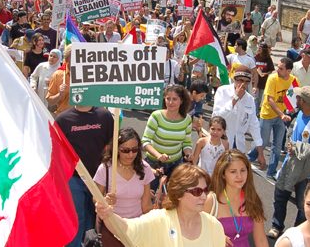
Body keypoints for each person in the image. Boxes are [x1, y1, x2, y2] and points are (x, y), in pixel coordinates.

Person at [96, 164, 226, 247]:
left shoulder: (214, 226)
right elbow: (126, 229)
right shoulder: (158, 220)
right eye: (197, 191)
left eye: (205, 190)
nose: (204, 196)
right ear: (179, 193)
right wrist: (108, 215)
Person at [268, 87, 310, 240]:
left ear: (305, 101)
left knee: (304, 205)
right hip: (290, 165)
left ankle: (297, 233)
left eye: (299, 98)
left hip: (306, 172)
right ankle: (276, 226)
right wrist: (291, 145)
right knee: (280, 195)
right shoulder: (300, 113)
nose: (296, 99)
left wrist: (300, 148)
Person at [56, 101, 114, 247]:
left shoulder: (104, 116)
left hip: (99, 179)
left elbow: (114, 143)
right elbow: (56, 150)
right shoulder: (62, 120)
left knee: (97, 217)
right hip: (74, 179)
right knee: (76, 218)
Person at [94, 128, 155, 247]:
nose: (131, 154)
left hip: (137, 226)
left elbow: (146, 205)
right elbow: (95, 197)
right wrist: (104, 201)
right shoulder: (105, 168)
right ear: (116, 149)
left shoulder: (145, 169)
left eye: (134, 149)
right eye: (125, 150)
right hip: (112, 226)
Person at [204, 150, 268, 247]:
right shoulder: (211, 201)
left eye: (243, 170)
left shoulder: (252, 199)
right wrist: (214, 235)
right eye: (233, 171)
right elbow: (195, 234)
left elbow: (261, 240)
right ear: (223, 174)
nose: (239, 176)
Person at [248, 57, 297, 179]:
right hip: (267, 115)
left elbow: (294, 97)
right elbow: (270, 100)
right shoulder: (272, 78)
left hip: (281, 117)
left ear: (289, 71)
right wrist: (282, 114)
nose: (277, 70)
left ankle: (271, 171)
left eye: (281, 68)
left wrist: (292, 109)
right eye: (278, 67)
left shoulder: (294, 81)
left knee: (277, 146)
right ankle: (249, 158)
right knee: (263, 142)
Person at [212, 66, 266, 169]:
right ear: (234, 79)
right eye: (240, 80)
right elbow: (216, 117)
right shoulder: (222, 91)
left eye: (246, 82)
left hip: (239, 147)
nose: (243, 84)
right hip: (221, 144)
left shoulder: (249, 99)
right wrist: (235, 98)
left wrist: (260, 152)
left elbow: (254, 125)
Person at [142, 85, 193, 190]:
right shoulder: (156, 116)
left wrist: (188, 153)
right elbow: (145, 141)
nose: (170, 102)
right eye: (168, 98)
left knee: (172, 197)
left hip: (176, 165)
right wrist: (158, 155)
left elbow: (187, 143)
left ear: (181, 101)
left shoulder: (187, 119)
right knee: (151, 195)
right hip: (154, 164)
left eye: (174, 99)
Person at [46, 45, 72, 115]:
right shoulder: (58, 75)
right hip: (63, 117)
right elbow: (49, 100)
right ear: (67, 60)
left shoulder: (87, 75)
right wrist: (59, 94)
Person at [253, 41, 275, 113]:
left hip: (264, 81)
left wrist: (265, 73)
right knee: (255, 97)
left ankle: (257, 110)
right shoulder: (255, 57)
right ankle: (255, 112)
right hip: (255, 81)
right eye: (258, 47)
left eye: (261, 48)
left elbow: (271, 70)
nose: (259, 49)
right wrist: (257, 70)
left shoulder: (268, 59)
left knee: (260, 98)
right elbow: (252, 67)